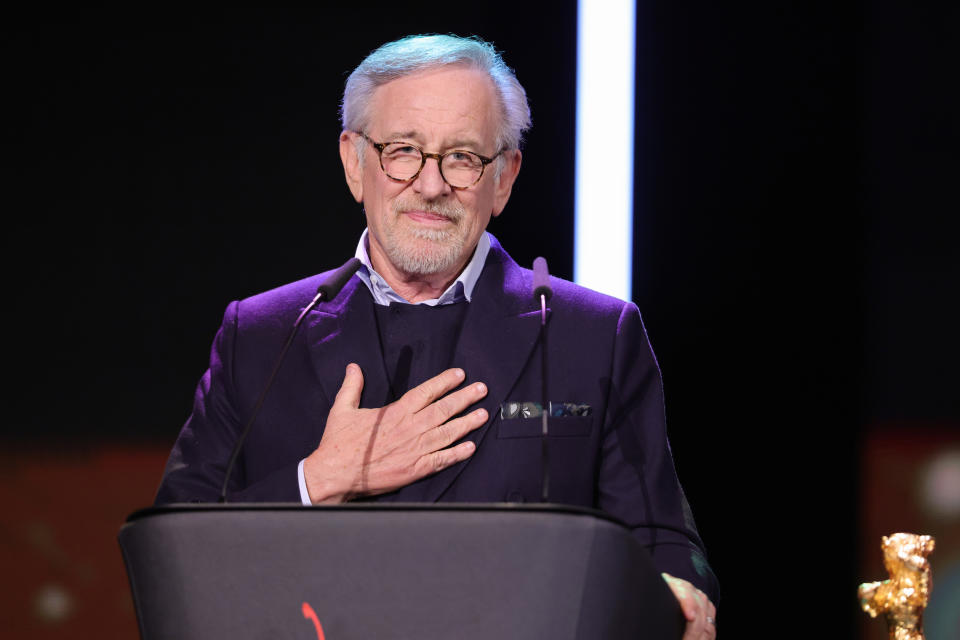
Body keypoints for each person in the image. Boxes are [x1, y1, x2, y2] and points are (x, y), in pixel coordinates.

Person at [156, 34, 718, 638]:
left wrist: (679, 590)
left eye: (462, 157)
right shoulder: (262, 336)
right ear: (354, 162)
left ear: (503, 177)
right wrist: (319, 480)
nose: (430, 185)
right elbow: (172, 558)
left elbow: (661, 539)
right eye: (403, 151)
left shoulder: (595, 336)